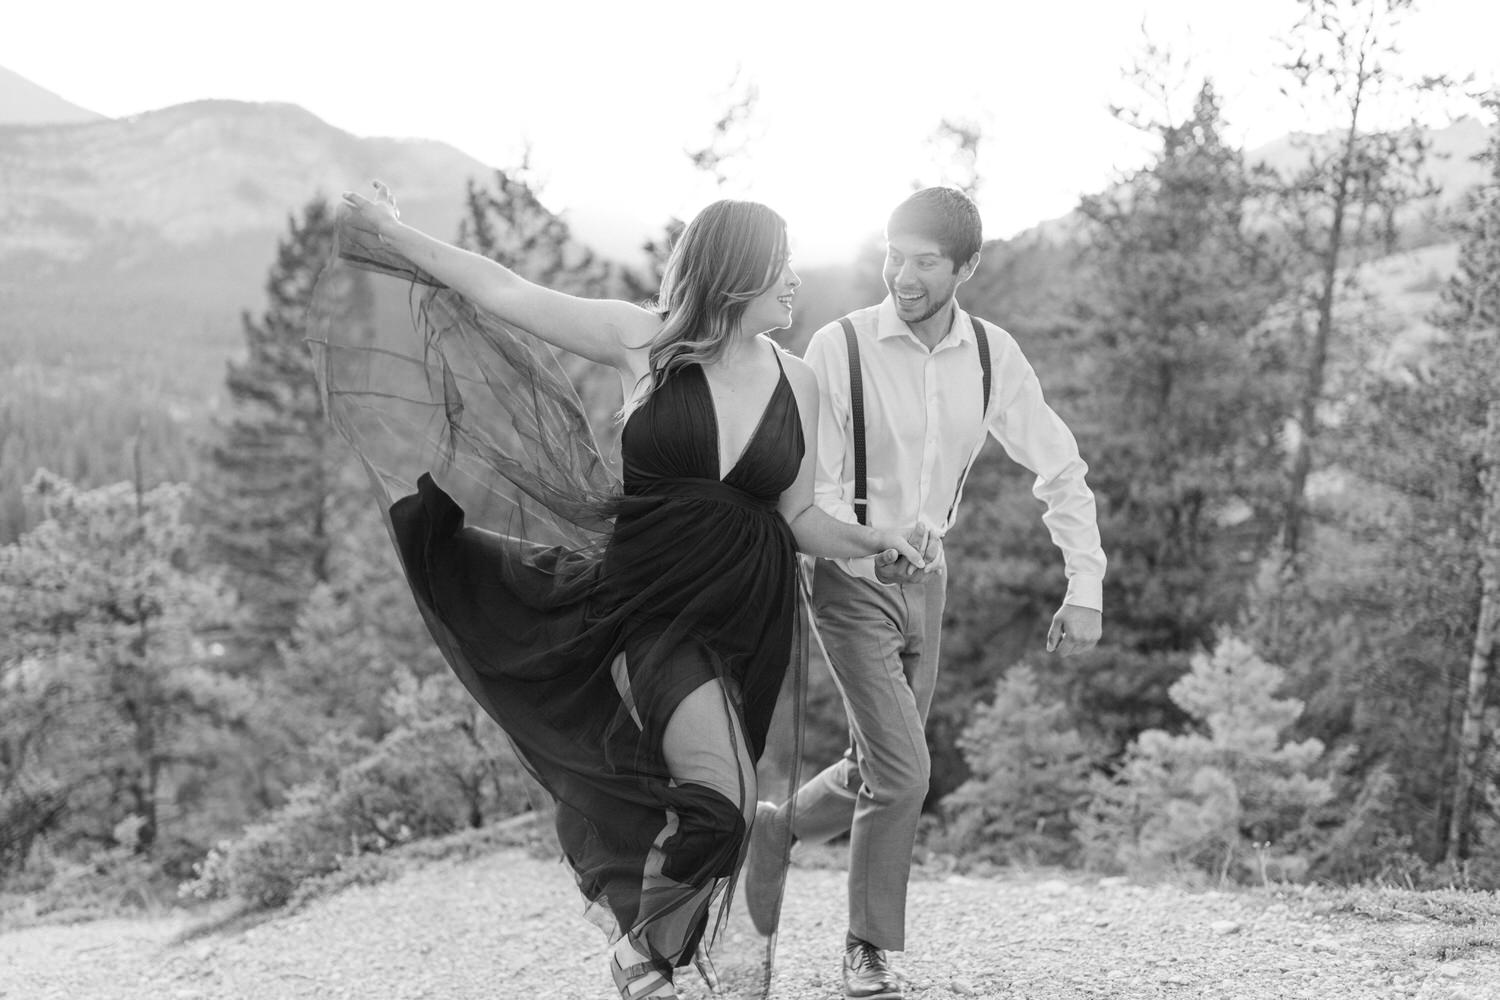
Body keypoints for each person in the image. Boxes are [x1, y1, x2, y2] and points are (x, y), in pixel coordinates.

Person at [319, 183, 926, 1000]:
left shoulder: (797, 380)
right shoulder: (644, 341)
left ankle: (653, 960)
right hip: (654, 607)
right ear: (736, 274)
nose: (794, 285)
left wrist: (871, 541)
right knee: (721, 804)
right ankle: (644, 954)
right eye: (780, 269)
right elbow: (503, 290)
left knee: (725, 812)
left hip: (749, 620)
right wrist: (393, 235)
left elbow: (800, 516)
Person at [743, 187, 1106, 1000]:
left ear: (966, 266)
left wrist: (1085, 584)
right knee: (904, 772)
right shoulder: (838, 347)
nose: (902, 276)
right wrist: (870, 545)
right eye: (893, 255)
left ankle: (775, 829)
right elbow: (810, 486)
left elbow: (1059, 464)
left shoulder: (991, 354)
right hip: (847, 577)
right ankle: (866, 946)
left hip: (928, 581)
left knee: (876, 763)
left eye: (925, 262)